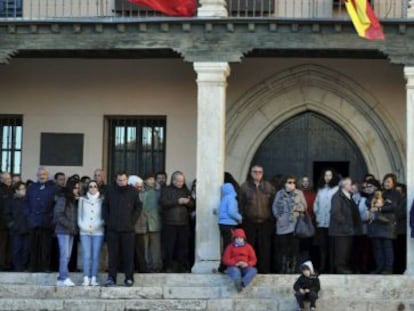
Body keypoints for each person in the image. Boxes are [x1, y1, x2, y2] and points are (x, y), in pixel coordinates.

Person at [103, 171, 142, 287]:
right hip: (113, 229)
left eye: (124, 180)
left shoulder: (133, 191)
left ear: (127, 180)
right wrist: (108, 222)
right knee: (113, 255)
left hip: (128, 230)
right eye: (119, 180)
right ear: (116, 180)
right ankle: (111, 278)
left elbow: (138, 207)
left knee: (128, 255)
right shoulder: (110, 191)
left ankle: (129, 278)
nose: (121, 182)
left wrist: (132, 221)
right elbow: (105, 207)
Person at [239, 165, 275, 274]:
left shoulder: (268, 187)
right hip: (249, 223)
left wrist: (272, 219)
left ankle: (264, 271)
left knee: (265, 249)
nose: (257, 174)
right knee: (249, 247)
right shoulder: (244, 187)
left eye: (260, 172)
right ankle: (250, 270)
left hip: (265, 223)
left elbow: (273, 204)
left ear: (262, 174)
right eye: (255, 172)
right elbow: (240, 204)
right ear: (251, 173)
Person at [160, 171, 194, 272]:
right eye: (178, 181)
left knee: (183, 247)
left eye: (182, 181)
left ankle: (183, 267)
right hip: (169, 223)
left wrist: (188, 202)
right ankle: (168, 267)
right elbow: (163, 203)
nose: (181, 183)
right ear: (173, 180)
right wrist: (177, 201)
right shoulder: (166, 189)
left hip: (183, 223)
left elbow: (193, 204)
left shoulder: (185, 190)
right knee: (169, 247)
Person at [273, 175, 307, 273]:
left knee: (294, 248)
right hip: (282, 225)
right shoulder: (279, 194)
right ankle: (284, 267)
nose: (292, 184)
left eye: (293, 182)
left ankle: (293, 267)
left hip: (294, 225)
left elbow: (304, 207)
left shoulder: (299, 193)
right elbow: (274, 207)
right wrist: (279, 217)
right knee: (284, 248)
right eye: (289, 182)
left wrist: (296, 208)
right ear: (285, 183)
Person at [26, 167, 58, 272]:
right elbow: (26, 203)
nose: (42, 176)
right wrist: (29, 215)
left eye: (44, 174)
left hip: (46, 221)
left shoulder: (53, 188)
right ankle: (33, 267)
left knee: (46, 247)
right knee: (33, 246)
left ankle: (45, 267)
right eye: (40, 174)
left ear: (47, 176)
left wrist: (52, 218)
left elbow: (56, 205)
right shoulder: (32, 187)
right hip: (33, 221)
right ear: (37, 175)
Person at [367, 174, 399, 274]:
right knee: (378, 248)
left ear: (393, 183)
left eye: (389, 182)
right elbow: (368, 201)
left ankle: (388, 268)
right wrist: (373, 205)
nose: (386, 183)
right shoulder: (380, 192)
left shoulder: (395, 194)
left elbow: (393, 207)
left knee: (387, 247)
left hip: (387, 224)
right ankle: (379, 268)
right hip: (376, 224)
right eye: (385, 181)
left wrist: (380, 208)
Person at [329, 177, 362, 274]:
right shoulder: (337, 196)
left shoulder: (349, 196)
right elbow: (336, 213)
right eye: (350, 184)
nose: (352, 186)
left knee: (346, 250)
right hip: (341, 230)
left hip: (349, 229)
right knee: (341, 250)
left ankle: (344, 266)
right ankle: (340, 267)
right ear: (345, 185)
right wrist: (345, 224)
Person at [78, 180, 104, 286]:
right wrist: (83, 226)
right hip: (84, 232)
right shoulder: (82, 200)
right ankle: (86, 277)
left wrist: (97, 225)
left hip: (98, 231)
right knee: (86, 255)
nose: (92, 188)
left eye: (95, 186)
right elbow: (79, 216)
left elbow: (104, 216)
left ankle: (93, 277)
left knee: (95, 255)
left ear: (98, 188)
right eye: (90, 186)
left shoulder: (102, 200)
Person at [313, 169, 339, 273]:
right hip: (321, 223)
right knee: (322, 246)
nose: (328, 177)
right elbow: (316, 204)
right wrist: (317, 214)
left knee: (332, 247)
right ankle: (322, 267)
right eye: (326, 175)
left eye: (330, 175)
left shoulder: (337, 189)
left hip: (332, 223)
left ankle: (332, 268)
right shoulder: (320, 189)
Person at [55, 180, 79, 286]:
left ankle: (61, 277)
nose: (77, 190)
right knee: (64, 255)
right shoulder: (63, 199)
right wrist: (69, 225)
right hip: (63, 231)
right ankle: (63, 277)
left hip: (70, 231)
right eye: (76, 188)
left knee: (67, 255)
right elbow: (58, 214)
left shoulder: (73, 200)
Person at [4, 181, 29, 271]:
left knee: (26, 250)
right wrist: (12, 225)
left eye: (24, 189)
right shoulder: (10, 201)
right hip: (16, 230)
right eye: (22, 189)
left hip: (27, 229)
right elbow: (6, 215)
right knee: (16, 249)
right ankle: (17, 268)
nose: (24, 191)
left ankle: (24, 266)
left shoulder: (28, 201)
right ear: (16, 191)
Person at [218, 183, 242, 273]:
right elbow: (232, 212)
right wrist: (239, 218)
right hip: (229, 224)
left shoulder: (224, 198)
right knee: (230, 246)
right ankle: (225, 267)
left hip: (222, 224)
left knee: (225, 245)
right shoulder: (231, 198)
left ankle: (223, 266)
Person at [142, 174, 163, 272]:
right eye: (150, 179)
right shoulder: (141, 192)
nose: (152, 181)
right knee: (144, 247)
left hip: (155, 223)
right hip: (143, 224)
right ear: (145, 180)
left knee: (155, 247)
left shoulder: (158, 193)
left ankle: (156, 266)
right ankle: (145, 266)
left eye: (153, 179)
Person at [128, 175, 148, 273]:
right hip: (130, 227)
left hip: (140, 227)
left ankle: (142, 268)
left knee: (140, 249)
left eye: (141, 186)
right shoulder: (128, 195)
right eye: (138, 186)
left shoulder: (142, 195)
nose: (140, 189)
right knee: (129, 250)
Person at [0, 171, 13, 270]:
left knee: (9, 244)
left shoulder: (11, 189)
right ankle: (2, 264)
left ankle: (7, 263)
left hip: (10, 222)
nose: (9, 180)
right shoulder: (1, 190)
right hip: (2, 223)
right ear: (2, 179)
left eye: (9, 179)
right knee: (3, 244)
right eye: (7, 179)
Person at [394, 183, 407, 274]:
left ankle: (400, 269)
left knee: (401, 252)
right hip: (394, 231)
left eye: (398, 191)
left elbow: (403, 213)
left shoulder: (405, 200)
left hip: (402, 231)